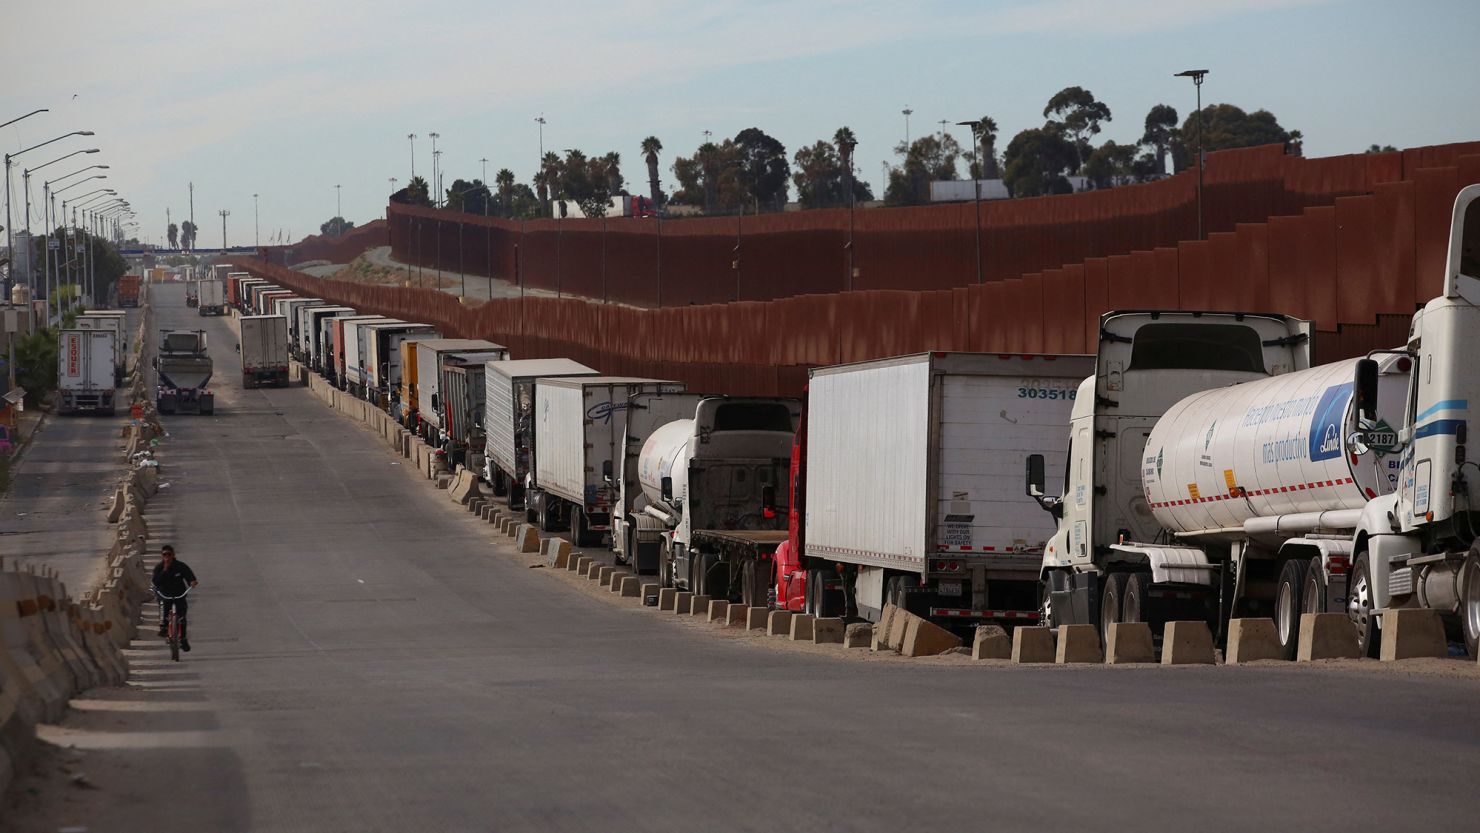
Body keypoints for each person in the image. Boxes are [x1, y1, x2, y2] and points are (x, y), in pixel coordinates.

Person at [152, 544, 199, 652]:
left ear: (173, 555)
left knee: (182, 617)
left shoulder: (180, 566)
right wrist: (164, 570)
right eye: (164, 555)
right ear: (162, 556)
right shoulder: (159, 567)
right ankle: (163, 627)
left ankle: (183, 638)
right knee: (163, 605)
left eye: (169, 554)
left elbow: (189, 576)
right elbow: (155, 581)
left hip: (179, 594)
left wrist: (192, 581)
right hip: (165, 594)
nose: (167, 557)